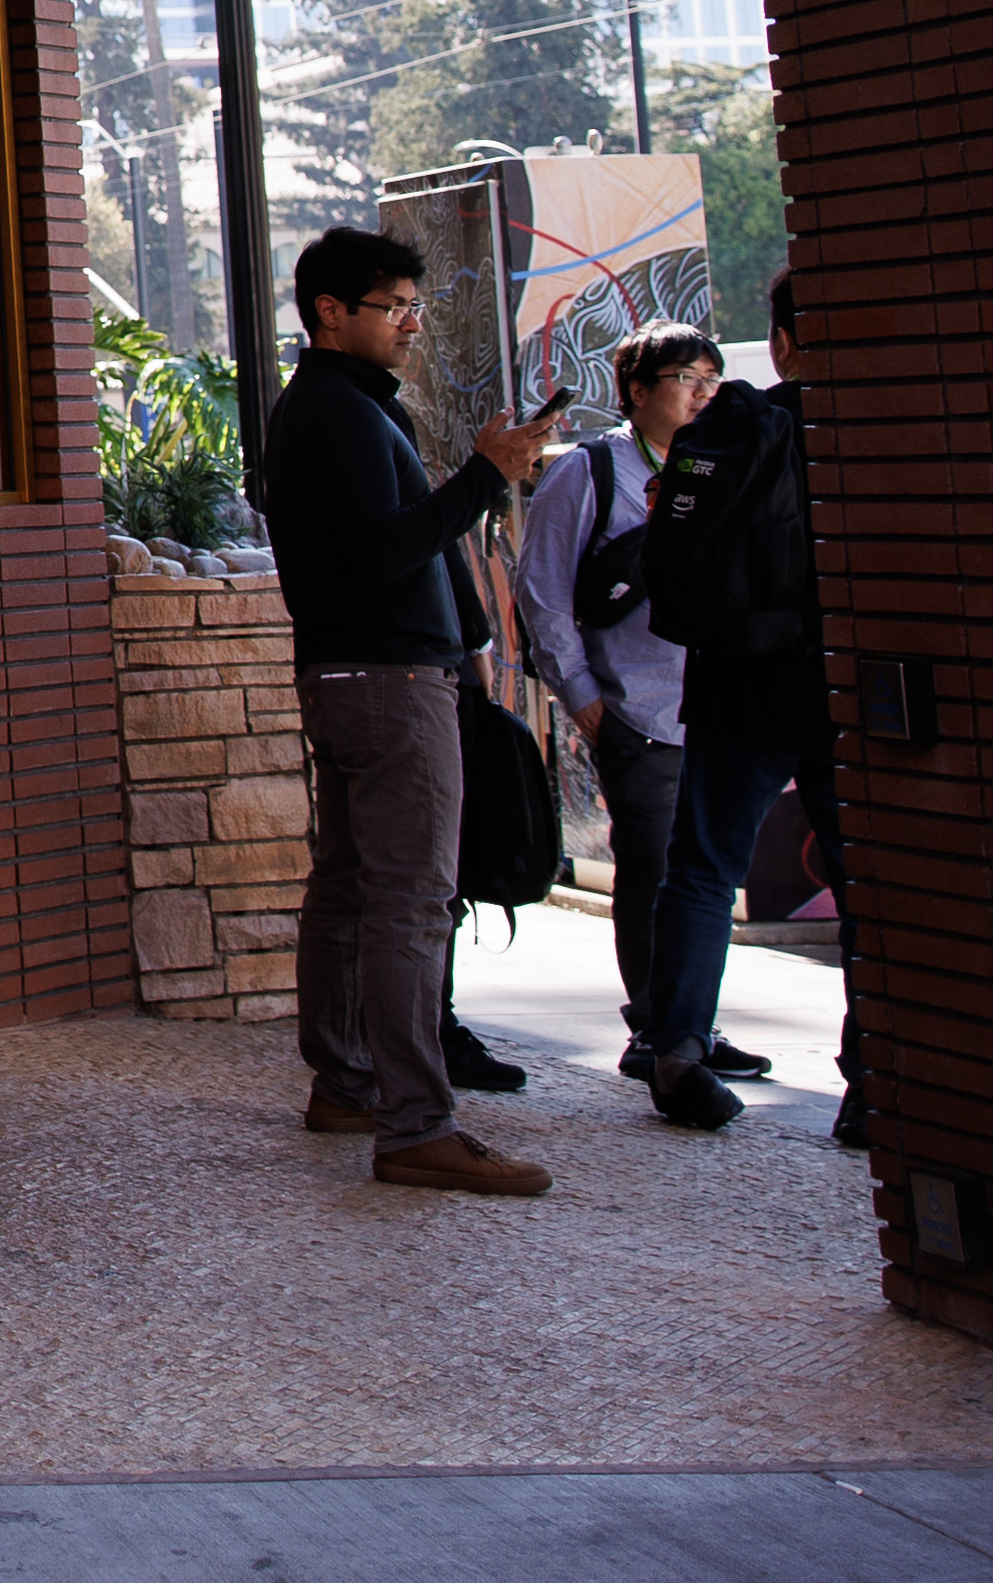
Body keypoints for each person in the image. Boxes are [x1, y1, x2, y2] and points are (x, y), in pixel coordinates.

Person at [251, 225, 550, 1196]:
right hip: (385, 680)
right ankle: (416, 1121)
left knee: (350, 884)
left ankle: (348, 1083)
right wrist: (482, 474)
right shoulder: (334, 411)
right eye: (393, 305)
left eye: (416, 303)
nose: (411, 322)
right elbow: (383, 551)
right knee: (409, 899)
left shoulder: (341, 405)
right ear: (330, 311)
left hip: (359, 677)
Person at [521, 325, 760, 1108]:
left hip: (720, 708)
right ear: (636, 388)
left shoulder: (723, 466)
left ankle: (691, 1024)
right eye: (687, 376)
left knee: (706, 876)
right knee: (655, 874)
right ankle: (656, 1027)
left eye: (712, 380)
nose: (702, 392)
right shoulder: (591, 473)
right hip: (638, 709)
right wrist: (584, 700)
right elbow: (545, 596)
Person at [638, 268, 848, 1141]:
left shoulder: (734, 423)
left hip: (732, 676)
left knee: (700, 866)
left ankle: (677, 1048)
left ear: (783, 343)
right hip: (840, 679)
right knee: (863, 876)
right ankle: (877, 1077)